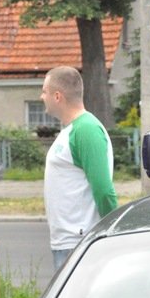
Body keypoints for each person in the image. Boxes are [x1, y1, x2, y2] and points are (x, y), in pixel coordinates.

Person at [40, 66, 118, 270]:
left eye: (44, 91)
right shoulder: (71, 130)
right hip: (68, 242)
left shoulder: (86, 130)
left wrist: (115, 231)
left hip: (78, 243)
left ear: (58, 96)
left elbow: (103, 189)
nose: (42, 97)